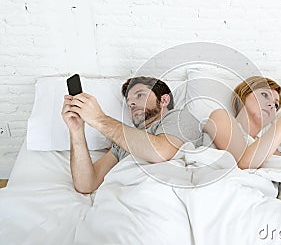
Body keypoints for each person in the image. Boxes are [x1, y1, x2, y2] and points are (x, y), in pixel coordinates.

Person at [61, 76, 202, 194]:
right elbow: (87, 185)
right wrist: (77, 130)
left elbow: (160, 152)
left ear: (164, 100)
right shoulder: (122, 141)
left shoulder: (178, 117)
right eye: (128, 103)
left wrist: (99, 119)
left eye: (140, 95)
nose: (132, 103)